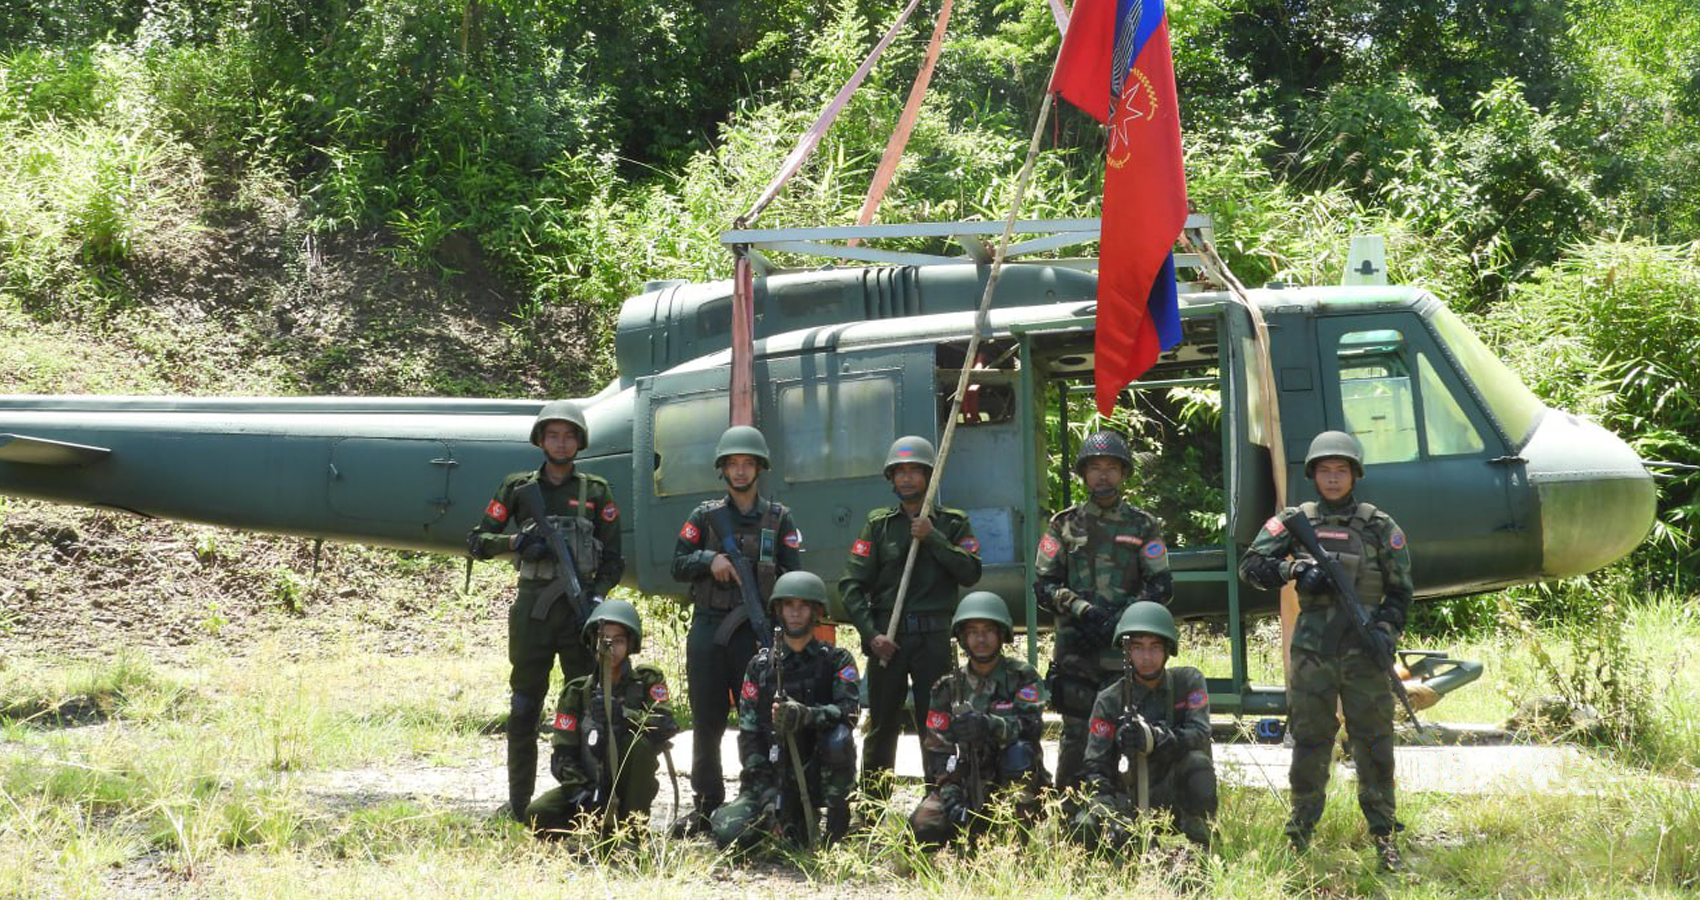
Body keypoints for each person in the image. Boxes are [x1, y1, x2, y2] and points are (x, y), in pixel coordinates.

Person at [1238, 430, 1413, 871]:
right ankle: (1300, 833)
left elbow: (1401, 592)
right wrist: (1295, 568)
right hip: (1314, 651)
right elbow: (1251, 567)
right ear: (1313, 475)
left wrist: (1386, 633)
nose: (1333, 479)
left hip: (1364, 650)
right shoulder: (1296, 520)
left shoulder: (1380, 526)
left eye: (1341, 470)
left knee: (1373, 743)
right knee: (1311, 741)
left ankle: (1384, 834)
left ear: (1354, 475)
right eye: (1325, 471)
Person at [465, 400, 623, 820]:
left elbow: (614, 559)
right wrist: (515, 543)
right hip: (534, 612)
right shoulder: (518, 488)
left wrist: (596, 596)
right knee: (523, 707)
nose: (561, 442)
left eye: (569, 435)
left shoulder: (597, 491)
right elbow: (479, 541)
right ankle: (519, 805)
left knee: (585, 710)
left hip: (579, 616)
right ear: (540, 440)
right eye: (553, 434)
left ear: (580, 442)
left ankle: (583, 800)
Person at [670, 425, 803, 835]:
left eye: (747, 464)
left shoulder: (779, 519)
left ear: (759, 468)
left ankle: (758, 800)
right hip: (710, 630)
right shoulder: (705, 516)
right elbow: (678, 564)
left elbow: (794, 580)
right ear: (723, 470)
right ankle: (707, 804)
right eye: (733, 464)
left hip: (756, 634)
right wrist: (709, 560)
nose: (740, 471)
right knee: (707, 720)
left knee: (759, 720)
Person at [838, 435, 982, 798]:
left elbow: (970, 572)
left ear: (929, 476)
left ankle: (939, 801)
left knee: (935, 724)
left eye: (914, 471)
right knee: (882, 725)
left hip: (933, 640)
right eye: (899, 472)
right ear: (891, 479)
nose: (906, 479)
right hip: (889, 639)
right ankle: (872, 807)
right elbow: (851, 585)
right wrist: (873, 636)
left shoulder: (951, 523)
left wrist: (932, 537)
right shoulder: (878, 526)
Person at [1033, 430, 1172, 793]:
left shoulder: (1143, 524)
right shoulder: (1063, 524)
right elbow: (1043, 585)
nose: (1103, 475)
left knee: (1128, 732)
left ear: (1124, 473)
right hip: (1076, 649)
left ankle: (1127, 815)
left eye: (1111, 467)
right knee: (1077, 737)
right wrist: (1083, 611)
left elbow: (1160, 586)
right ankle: (1069, 819)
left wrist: (1119, 618)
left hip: (1126, 652)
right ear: (1083, 475)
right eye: (1094, 468)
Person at [711, 571, 860, 848]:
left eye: (803, 605)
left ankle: (837, 819)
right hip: (772, 772)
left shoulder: (836, 660)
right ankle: (778, 818)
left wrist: (806, 715)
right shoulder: (760, 667)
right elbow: (750, 734)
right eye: (789, 605)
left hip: (819, 770)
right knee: (729, 835)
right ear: (778, 610)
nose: (795, 612)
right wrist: (767, 796)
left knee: (839, 738)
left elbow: (849, 712)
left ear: (816, 611)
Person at [1072, 602, 1216, 850]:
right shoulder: (1109, 699)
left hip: (1174, 793)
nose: (1146, 657)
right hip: (1127, 796)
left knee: (1198, 763)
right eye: (1137, 648)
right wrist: (1111, 818)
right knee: (1084, 825)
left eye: (1154, 647)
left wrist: (1156, 737)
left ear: (1168, 650)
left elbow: (1200, 734)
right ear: (1126, 652)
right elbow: (1095, 769)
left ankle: (1201, 846)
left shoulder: (1187, 681)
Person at [525, 600, 679, 833]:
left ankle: (633, 834)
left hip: (631, 786)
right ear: (593, 643)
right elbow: (563, 756)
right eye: (604, 640)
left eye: (618, 640)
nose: (610, 648)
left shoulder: (648, 680)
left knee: (639, 747)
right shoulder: (576, 693)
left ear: (630, 644)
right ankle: (593, 827)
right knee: (537, 815)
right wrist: (582, 793)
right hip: (590, 785)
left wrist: (625, 716)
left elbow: (666, 725)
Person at [909, 591, 1048, 846]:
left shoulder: (1022, 677)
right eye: (973, 632)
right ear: (962, 638)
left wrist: (988, 725)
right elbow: (938, 750)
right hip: (964, 779)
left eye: (988, 631)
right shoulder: (947, 687)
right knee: (923, 828)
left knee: (1018, 753)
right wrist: (949, 789)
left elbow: (1031, 726)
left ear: (1001, 634)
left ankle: (1015, 832)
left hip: (1012, 779)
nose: (980, 639)